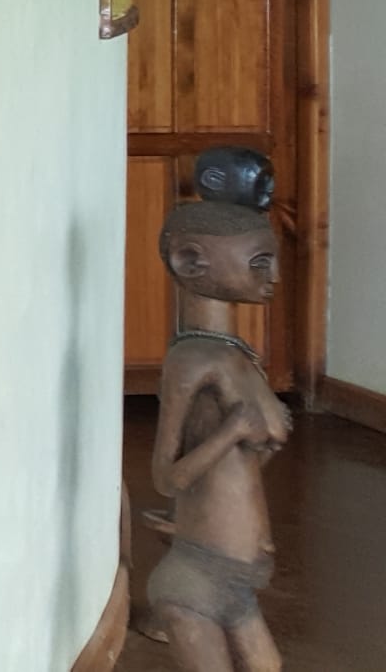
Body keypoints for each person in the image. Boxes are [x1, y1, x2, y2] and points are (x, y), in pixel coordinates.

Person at [145, 198, 287, 672]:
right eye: (259, 262)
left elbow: (237, 467)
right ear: (190, 260)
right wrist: (233, 431)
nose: (274, 277)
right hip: (197, 580)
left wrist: (259, 443)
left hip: (235, 579)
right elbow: (166, 477)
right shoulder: (190, 361)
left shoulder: (236, 356)